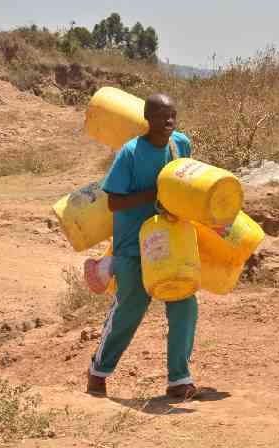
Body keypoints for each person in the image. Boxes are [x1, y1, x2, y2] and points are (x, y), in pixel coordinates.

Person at [86, 93, 199, 400]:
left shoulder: (181, 145)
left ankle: (179, 379)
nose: (169, 122)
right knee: (130, 310)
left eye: (173, 115)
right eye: (163, 116)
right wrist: (156, 193)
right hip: (133, 244)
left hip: (171, 240)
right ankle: (98, 372)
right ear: (148, 119)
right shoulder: (131, 153)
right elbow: (114, 201)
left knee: (184, 304)